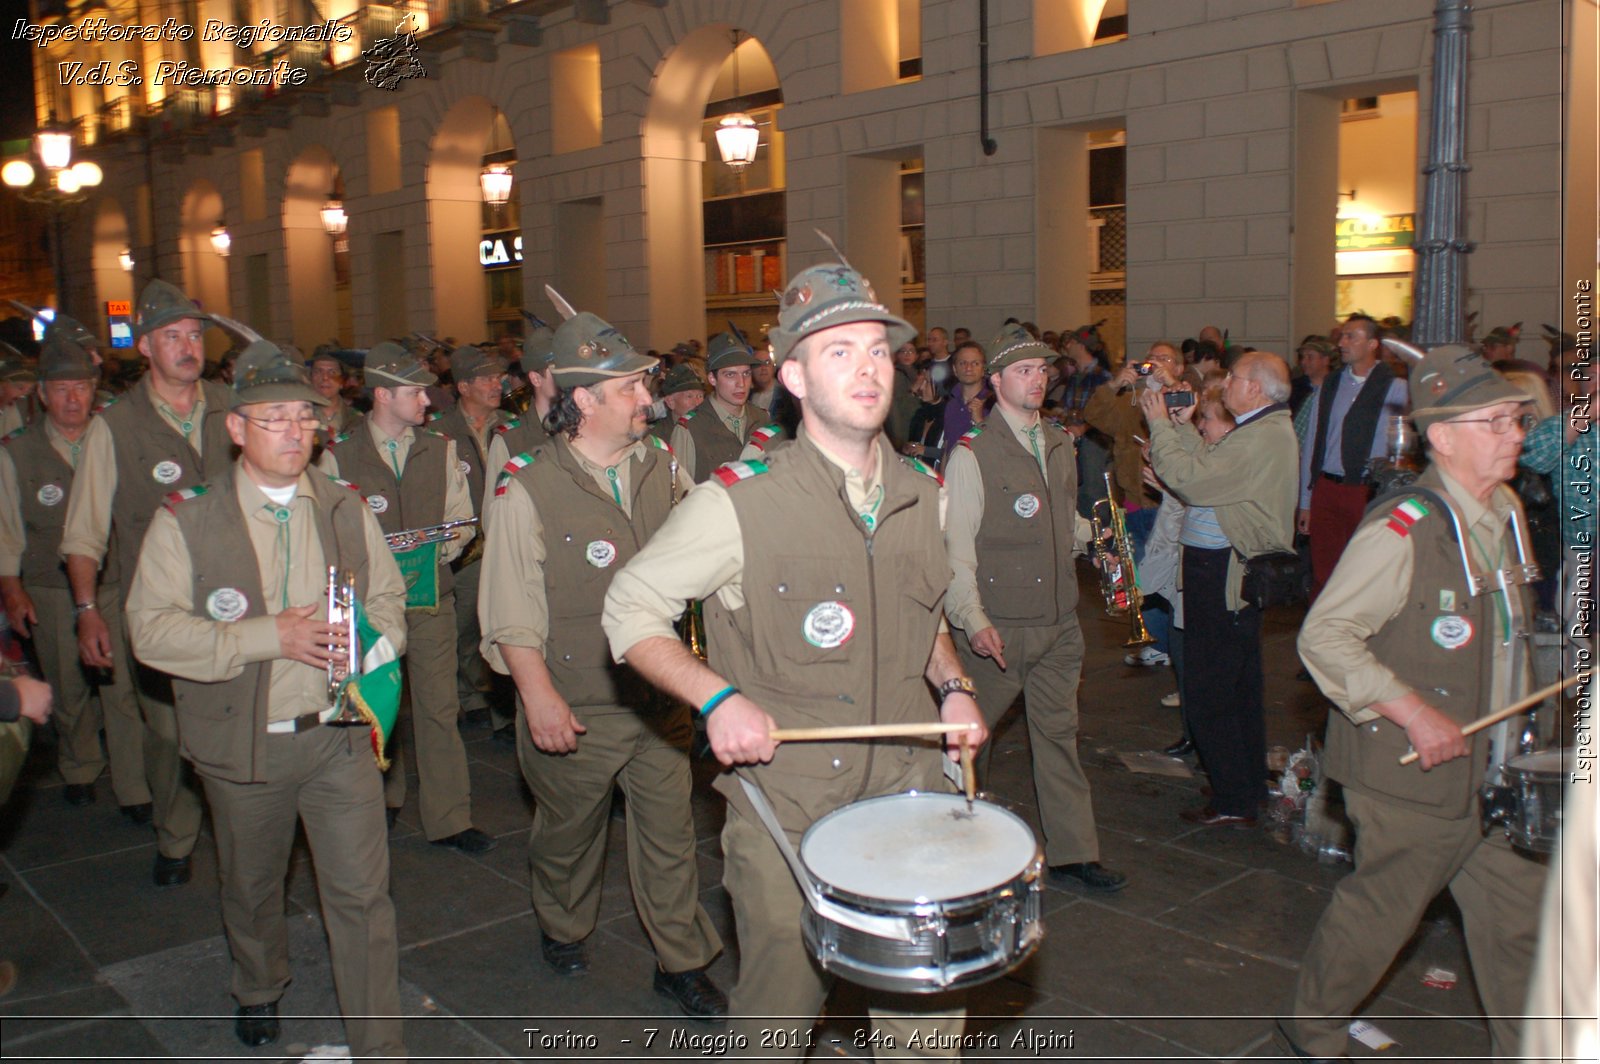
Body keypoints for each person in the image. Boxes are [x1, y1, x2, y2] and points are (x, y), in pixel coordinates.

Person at [601, 257, 988, 1058]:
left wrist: (951, 686)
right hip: (790, 813)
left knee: (925, 1031)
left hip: (909, 799)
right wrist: (715, 700)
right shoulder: (739, 501)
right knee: (775, 1026)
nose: (867, 368)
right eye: (839, 351)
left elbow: (923, 611)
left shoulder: (924, 491)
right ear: (796, 377)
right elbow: (629, 609)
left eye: (877, 350)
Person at [125, 341, 407, 1056]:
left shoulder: (343, 508)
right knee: (252, 889)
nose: (292, 431)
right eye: (273, 417)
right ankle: (257, 982)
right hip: (243, 745)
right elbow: (150, 631)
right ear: (237, 428)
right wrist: (265, 637)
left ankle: (381, 1048)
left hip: (341, 733)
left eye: (303, 418)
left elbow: (388, 596)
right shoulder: (188, 520)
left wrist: (373, 643)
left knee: (363, 901)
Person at [1281, 344, 1547, 1063]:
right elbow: (1326, 638)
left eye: (1517, 420)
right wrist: (1409, 708)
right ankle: (1314, 1028)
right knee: (1378, 919)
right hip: (1412, 776)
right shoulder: (1402, 529)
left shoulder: (1509, 511)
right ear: (1442, 436)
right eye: (1496, 422)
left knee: (1518, 929)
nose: (1516, 434)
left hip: (1496, 773)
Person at [479, 305, 725, 1017]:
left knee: (671, 834)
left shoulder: (663, 467)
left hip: (657, 699)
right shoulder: (528, 486)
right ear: (583, 400)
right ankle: (562, 921)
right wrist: (537, 696)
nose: (646, 400)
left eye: (643, 386)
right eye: (630, 389)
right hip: (576, 701)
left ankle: (682, 959)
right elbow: (509, 609)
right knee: (567, 837)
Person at [944, 322, 1126, 894]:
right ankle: (950, 843)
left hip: (1060, 622)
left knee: (1059, 736)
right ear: (995, 381)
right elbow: (955, 550)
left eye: (1044, 370)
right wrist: (972, 620)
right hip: (1002, 626)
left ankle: (1074, 851)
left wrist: (1096, 544)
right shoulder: (973, 455)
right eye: (1024, 370)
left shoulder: (1058, 443)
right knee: (970, 742)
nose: (1038, 379)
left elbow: (1062, 519)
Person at [60, 279, 222, 887]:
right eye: (172, 336)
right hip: (160, 613)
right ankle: (176, 838)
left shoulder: (236, 408)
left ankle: (244, 834)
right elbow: (83, 533)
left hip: (242, 606)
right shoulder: (117, 427)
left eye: (194, 335)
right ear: (146, 347)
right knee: (169, 733)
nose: (188, 347)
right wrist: (87, 610)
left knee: (244, 724)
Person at [319, 342, 495, 852]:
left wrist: (437, 550)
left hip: (431, 596)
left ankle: (449, 816)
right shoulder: (339, 455)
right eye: (415, 392)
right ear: (382, 395)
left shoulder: (439, 449)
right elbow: (330, 529)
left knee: (439, 709)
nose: (426, 401)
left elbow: (462, 521)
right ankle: (381, 802)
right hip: (370, 607)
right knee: (377, 706)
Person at [1139, 352, 1297, 827]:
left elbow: (1192, 480)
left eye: (1235, 377)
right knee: (1239, 684)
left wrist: (1160, 426)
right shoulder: (1257, 430)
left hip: (1224, 573)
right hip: (1225, 569)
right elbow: (1211, 463)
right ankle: (1242, 784)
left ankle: (1232, 800)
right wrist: (1186, 428)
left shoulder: (1261, 437)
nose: (1227, 382)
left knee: (1210, 689)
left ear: (1256, 388)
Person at [0, 334, 149, 818]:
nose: (72, 399)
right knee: (68, 688)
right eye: (60, 389)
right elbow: (7, 530)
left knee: (122, 690)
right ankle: (80, 763)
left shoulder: (115, 437)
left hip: (115, 581)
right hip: (50, 586)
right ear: (41, 394)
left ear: (94, 390)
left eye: (81, 388)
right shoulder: (16, 453)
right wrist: (13, 589)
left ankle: (134, 786)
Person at [1297, 314, 1408, 601]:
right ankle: (1323, 633)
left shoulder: (1394, 387)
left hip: (1366, 489)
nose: (1342, 343)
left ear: (1372, 344)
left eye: (1351, 337)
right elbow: (1312, 442)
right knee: (1325, 571)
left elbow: (1400, 445)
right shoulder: (1330, 385)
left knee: (1365, 568)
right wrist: (1306, 502)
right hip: (1327, 488)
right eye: (1342, 336)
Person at [671, 330, 762, 481]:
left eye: (746, 373)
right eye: (730, 375)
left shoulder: (762, 419)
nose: (741, 383)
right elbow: (680, 491)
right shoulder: (691, 428)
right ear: (712, 379)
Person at [939, 340, 990, 466]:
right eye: (963, 363)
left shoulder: (994, 403)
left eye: (975, 363)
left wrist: (979, 421)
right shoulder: (951, 405)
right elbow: (947, 446)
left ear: (983, 369)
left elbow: (999, 447)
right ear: (955, 369)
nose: (968, 368)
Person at [307, 347, 358, 445]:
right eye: (318, 371)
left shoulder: (357, 420)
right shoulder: (301, 417)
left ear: (342, 382)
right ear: (310, 379)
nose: (325, 377)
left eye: (332, 372)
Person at [647, 363, 706, 444]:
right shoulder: (658, 440)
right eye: (689, 396)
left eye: (700, 396)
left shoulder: (711, 427)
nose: (697, 403)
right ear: (671, 402)